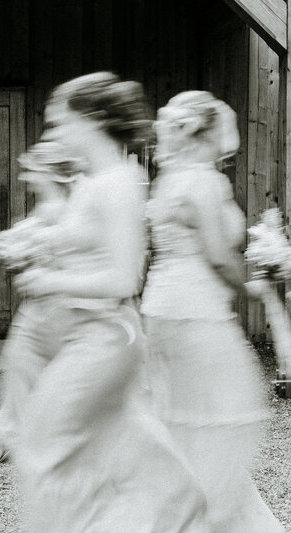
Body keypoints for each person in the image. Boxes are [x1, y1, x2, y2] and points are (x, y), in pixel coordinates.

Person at [13, 72, 209, 531]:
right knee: (119, 442)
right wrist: (34, 242)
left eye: (60, 124)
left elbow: (124, 277)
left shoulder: (121, 181)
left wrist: (49, 281)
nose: (53, 135)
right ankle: (179, 503)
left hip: (104, 338)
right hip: (79, 334)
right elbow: (79, 239)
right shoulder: (91, 181)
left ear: (92, 120)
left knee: (45, 443)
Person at [141, 91, 284, 532]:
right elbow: (219, 256)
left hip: (160, 307)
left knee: (181, 416)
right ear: (205, 134)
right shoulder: (204, 181)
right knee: (219, 416)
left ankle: (184, 506)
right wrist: (255, 287)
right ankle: (214, 513)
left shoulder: (167, 180)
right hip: (197, 312)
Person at [0, 141, 78, 464]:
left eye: (34, 170)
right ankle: (11, 435)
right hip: (36, 306)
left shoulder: (67, 209)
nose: (27, 176)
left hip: (59, 305)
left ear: (49, 173)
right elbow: (28, 243)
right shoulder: (46, 206)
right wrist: (10, 252)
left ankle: (58, 437)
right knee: (18, 362)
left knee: (53, 371)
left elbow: (63, 253)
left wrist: (21, 253)